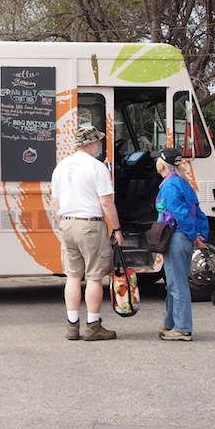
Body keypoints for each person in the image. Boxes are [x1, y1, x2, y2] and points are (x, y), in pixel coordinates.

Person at [51, 126, 124, 341]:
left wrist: (62, 222)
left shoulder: (60, 167)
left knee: (73, 276)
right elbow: (106, 202)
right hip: (90, 226)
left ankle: (72, 325)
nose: (100, 145)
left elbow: (55, 202)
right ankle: (93, 325)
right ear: (90, 143)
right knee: (93, 276)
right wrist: (117, 229)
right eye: (98, 142)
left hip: (67, 224)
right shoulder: (97, 167)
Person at [152, 147, 209, 341]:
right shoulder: (183, 182)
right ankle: (169, 322)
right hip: (184, 238)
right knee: (174, 283)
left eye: (157, 159)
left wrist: (193, 235)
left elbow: (181, 214)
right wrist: (200, 235)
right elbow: (198, 213)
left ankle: (183, 328)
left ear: (162, 164)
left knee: (177, 285)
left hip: (176, 237)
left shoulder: (169, 186)